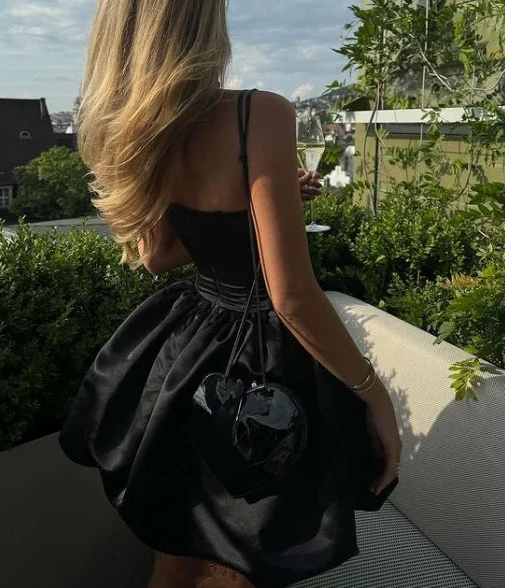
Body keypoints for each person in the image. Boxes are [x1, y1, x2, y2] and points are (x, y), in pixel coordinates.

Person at [58, 2, 402, 587]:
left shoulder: (144, 130)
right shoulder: (260, 113)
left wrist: (268, 205)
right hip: (263, 360)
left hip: (186, 354)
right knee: (244, 551)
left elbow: (157, 257)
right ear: (203, 22)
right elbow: (291, 297)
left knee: (184, 545)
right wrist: (374, 395)